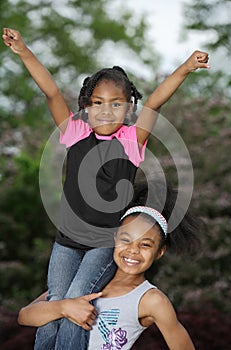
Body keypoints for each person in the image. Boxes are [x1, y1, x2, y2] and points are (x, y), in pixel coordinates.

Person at [2, 27, 209, 350]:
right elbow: (53, 93)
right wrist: (24, 51)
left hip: (102, 242)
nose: (105, 110)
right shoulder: (74, 132)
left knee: (78, 302)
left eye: (115, 104)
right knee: (57, 303)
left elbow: (155, 101)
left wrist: (185, 67)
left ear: (128, 109)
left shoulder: (131, 141)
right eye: (97, 103)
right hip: (67, 242)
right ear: (86, 105)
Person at [18, 178, 201, 350]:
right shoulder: (86, 277)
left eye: (145, 244)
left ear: (160, 251)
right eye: (125, 240)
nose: (133, 250)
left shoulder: (151, 300)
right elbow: (25, 316)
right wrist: (63, 307)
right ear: (114, 238)